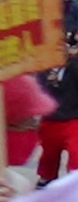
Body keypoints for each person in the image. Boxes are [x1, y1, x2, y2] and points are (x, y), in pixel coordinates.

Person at [39, 38, 78, 187]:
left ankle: (73, 183)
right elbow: (38, 90)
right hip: (50, 118)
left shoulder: (74, 67)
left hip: (73, 117)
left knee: (76, 151)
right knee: (49, 153)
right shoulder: (43, 69)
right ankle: (46, 179)